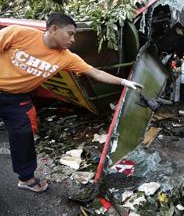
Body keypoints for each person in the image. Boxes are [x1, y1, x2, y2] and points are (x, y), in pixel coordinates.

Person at [0, 12, 143, 193]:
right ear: (53, 29)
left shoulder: (66, 57)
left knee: (24, 137)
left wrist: (124, 82)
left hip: (18, 99)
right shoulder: (18, 33)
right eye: (70, 33)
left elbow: (95, 72)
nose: (73, 39)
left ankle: (26, 179)